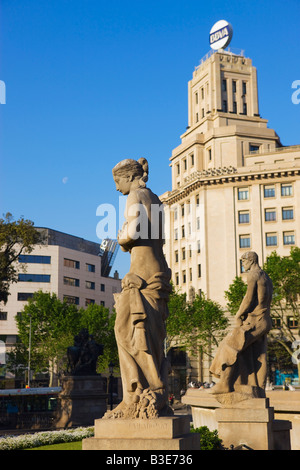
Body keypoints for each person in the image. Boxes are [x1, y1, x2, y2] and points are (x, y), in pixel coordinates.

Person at [104, 158, 172, 419]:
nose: (116, 187)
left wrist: (121, 237)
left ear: (129, 177)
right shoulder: (155, 198)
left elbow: (132, 232)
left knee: (125, 331)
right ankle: (151, 391)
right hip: (159, 270)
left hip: (141, 274)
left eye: (116, 181)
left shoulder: (135, 196)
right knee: (149, 335)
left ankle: (134, 394)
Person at [210, 251, 273, 400]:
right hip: (265, 320)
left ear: (250, 260)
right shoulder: (266, 277)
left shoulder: (253, 275)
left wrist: (238, 314)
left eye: (243, 262)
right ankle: (256, 387)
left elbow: (249, 298)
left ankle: (224, 383)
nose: (242, 265)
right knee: (257, 354)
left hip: (255, 320)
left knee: (229, 345)